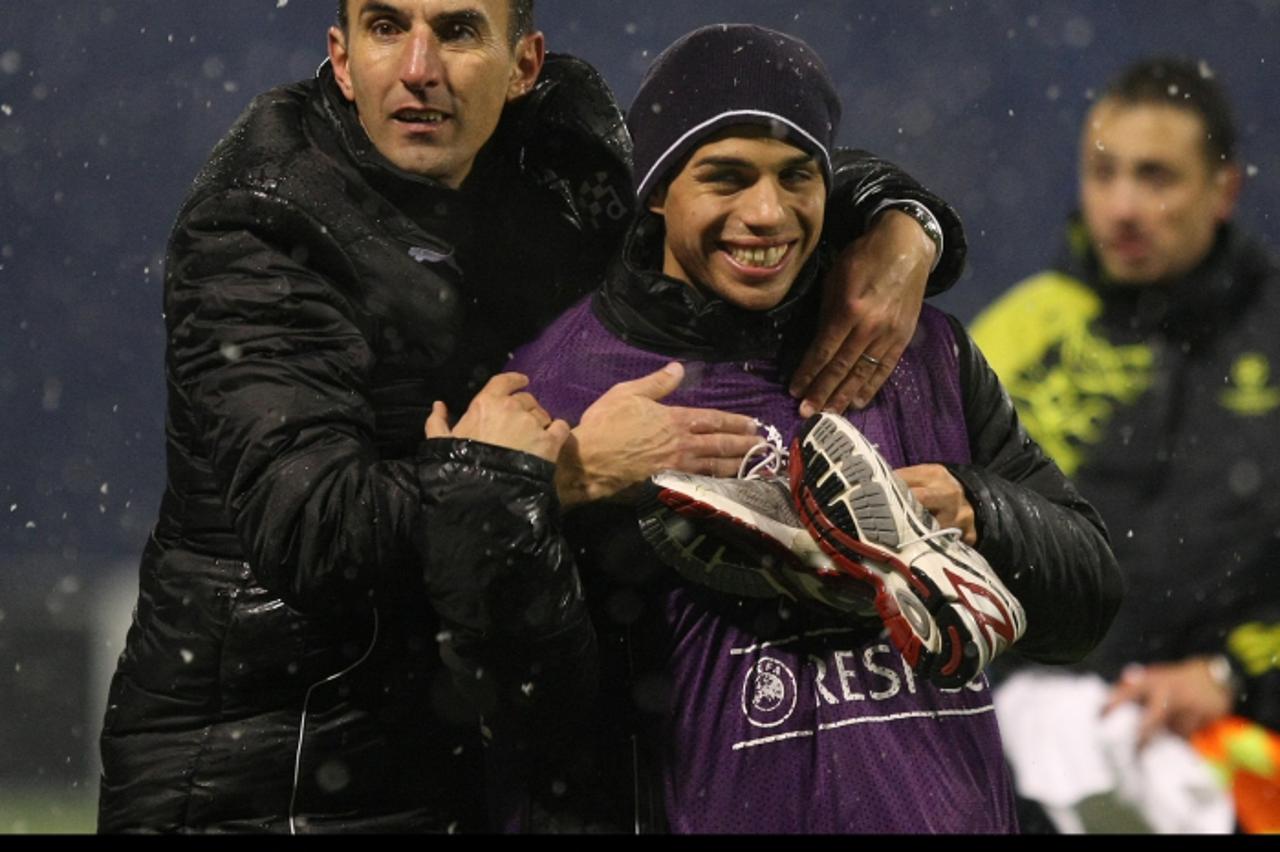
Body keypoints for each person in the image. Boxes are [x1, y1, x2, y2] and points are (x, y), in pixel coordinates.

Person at [95, 0, 973, 835]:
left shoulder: (560, 151)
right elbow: (313, 532)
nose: (417, 69)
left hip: (460, 743)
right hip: (271, 759)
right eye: (386, 27)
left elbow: (720, 173)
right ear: (341, 58)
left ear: (525, 65)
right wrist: (556, 472)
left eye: (459, 31)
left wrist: (899, 222)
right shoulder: (259, 227)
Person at [504, 23, 1121, 833]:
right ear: (656, 190)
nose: (766, 214)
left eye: (797, 177)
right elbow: (514, 691)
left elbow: (1090, 601)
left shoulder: (916, 348)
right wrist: (566, 489)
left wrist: (981, 514)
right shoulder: (558, 382)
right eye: (725, 178)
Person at [971, 56, 1280, 833]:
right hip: (1023, 761)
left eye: (1156, 177)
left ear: (1224, 190)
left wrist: (1231, 673)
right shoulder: (1016, 334)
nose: (1122, 207)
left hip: (1240, 754)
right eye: (1102, 173)